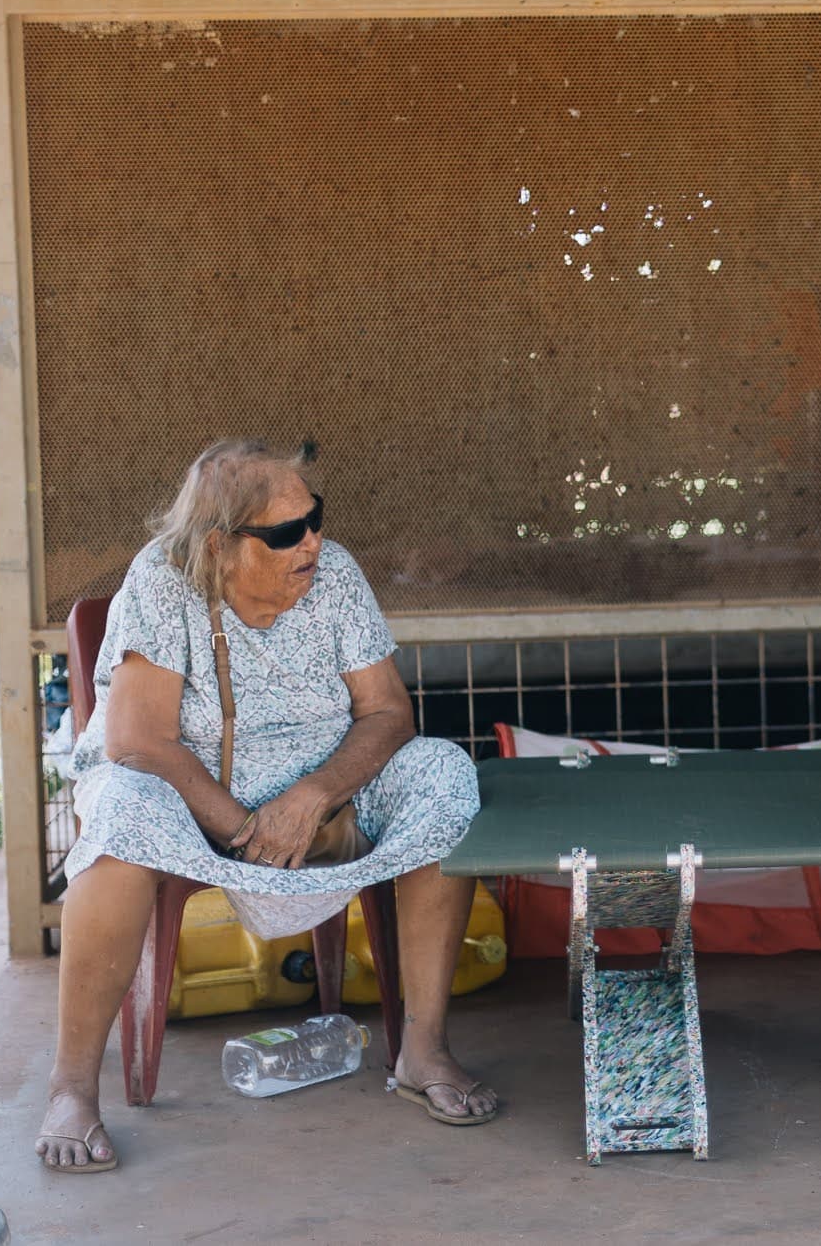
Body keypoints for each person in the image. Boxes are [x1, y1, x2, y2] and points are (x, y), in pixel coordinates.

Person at [37, 439, 498, 1173]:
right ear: (221, 546)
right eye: (286, 532)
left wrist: (314, 796)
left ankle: (424, 1048)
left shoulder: (335, 573)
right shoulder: (162, 580)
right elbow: (141, 740)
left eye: (314, 517)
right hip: (186, 790)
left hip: (321, 791)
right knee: (122, 817)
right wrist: (246, 826)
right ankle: (71, 1088)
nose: (312, 540)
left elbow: (386, 712)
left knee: (443, 776)